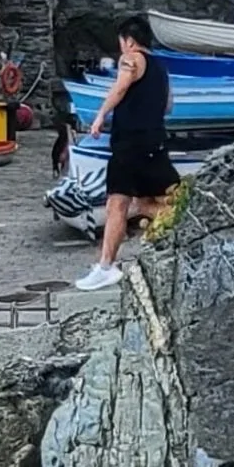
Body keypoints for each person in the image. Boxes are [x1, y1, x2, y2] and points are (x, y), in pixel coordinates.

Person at [75, 18, 174, 289]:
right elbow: (167, 106)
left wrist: (100, 115)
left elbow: (120, 88)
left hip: (130, 143)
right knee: (156, 202)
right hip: (155, 141)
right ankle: (108, 263)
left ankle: (106, 266)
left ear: (129, 40)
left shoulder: (130, 58)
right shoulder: (161, 67)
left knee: (117, 204)